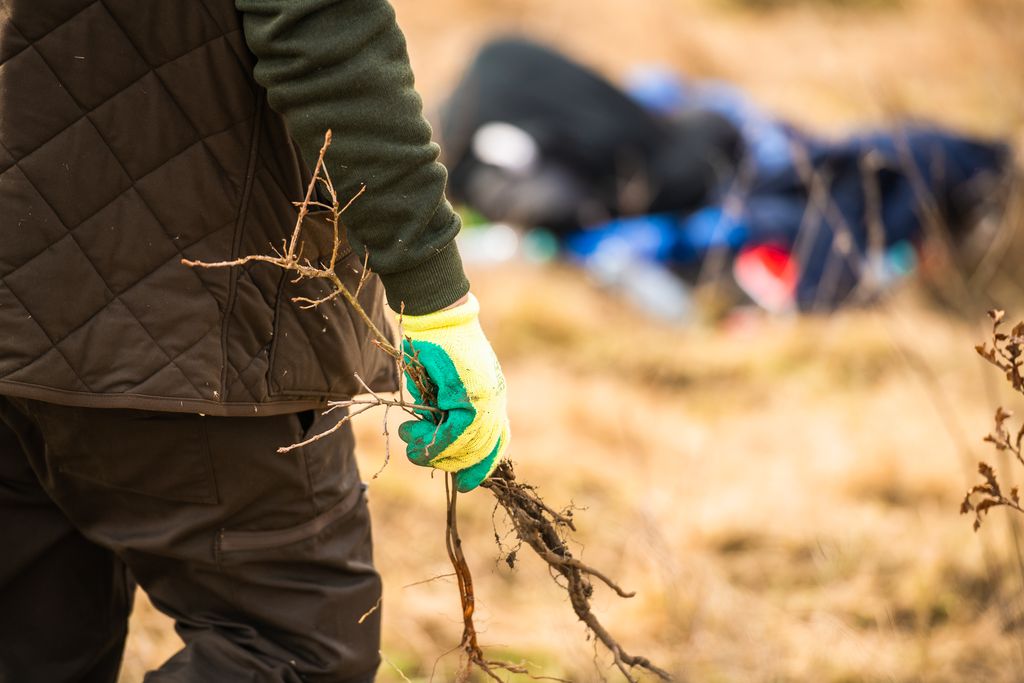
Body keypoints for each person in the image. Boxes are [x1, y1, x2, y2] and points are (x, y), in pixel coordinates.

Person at [0, 1, 508, 681]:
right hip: (192, 318)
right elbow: (321, 24)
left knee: (31, 647)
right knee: (295, 648)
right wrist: (436, 295)